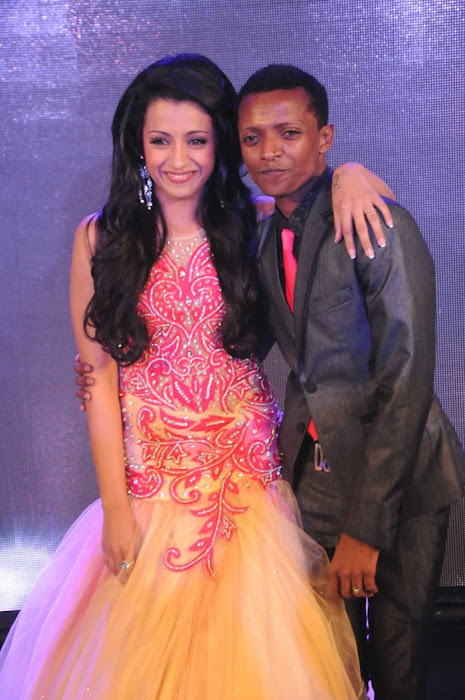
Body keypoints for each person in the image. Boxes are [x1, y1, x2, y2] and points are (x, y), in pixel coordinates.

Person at [0, 53, 379, 699]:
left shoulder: (258, 218)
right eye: (160, 141)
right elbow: (98, 379)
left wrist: (350, 175)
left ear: (219, 144)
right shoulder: (100, 238)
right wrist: (116, 511)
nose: (178, 160)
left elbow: (357, 202)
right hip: (152, 487)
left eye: (197, 140)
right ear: (137, 145)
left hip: (248, 483)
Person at [233, 64, 465, 699]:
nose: (270, 151)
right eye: (252, 138)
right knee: (327, 655)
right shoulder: (261, 237)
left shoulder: (374, 222)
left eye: (289, 133)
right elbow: (244, 344)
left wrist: (366, 529)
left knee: (396, 660)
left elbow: (407, 378)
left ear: (325, 138)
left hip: (403, 476)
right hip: (314, 472)